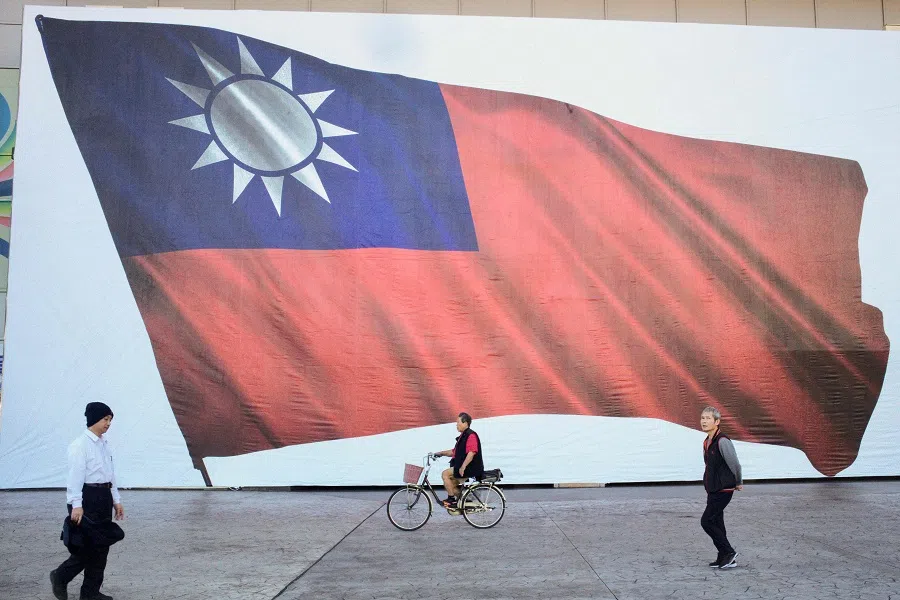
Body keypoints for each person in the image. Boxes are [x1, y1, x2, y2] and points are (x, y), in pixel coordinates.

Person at [50, 402, 125, 600]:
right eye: (105, 419)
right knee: (88, 547)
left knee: (102, 547)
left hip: (103, 498)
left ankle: (90, 592)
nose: (108, 424)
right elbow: (75, 477)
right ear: (94, 419)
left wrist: (116, 500)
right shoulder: (79, 445)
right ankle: (60, 576)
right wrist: (76, 505)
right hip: (86, 498)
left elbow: (110, 474)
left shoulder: (104, 444)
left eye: (110, 420)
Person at [700, 406, 743, 569]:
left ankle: (729, 551)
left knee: (706, 521)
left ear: (717, 422)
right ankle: (723, 556)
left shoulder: (723, 441)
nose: (704, 421)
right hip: (712, 488)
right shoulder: (707, 441)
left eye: (708, 418)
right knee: (717, 522)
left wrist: (738, 482)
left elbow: (735, 464)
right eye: (702, 418)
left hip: (724, 489)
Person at [434, 412, 484, 509]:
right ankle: (466, 500)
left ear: (465, 423)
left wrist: (463, 466)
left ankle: (451, 499)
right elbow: (454, 452)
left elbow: (472, 452)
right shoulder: (463, 436)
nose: (456, 425)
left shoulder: (471, 435)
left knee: (445, 474)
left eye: (458, 422)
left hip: (470, 468)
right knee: (450, 485)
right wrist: (440, 453)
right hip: (465, 467)